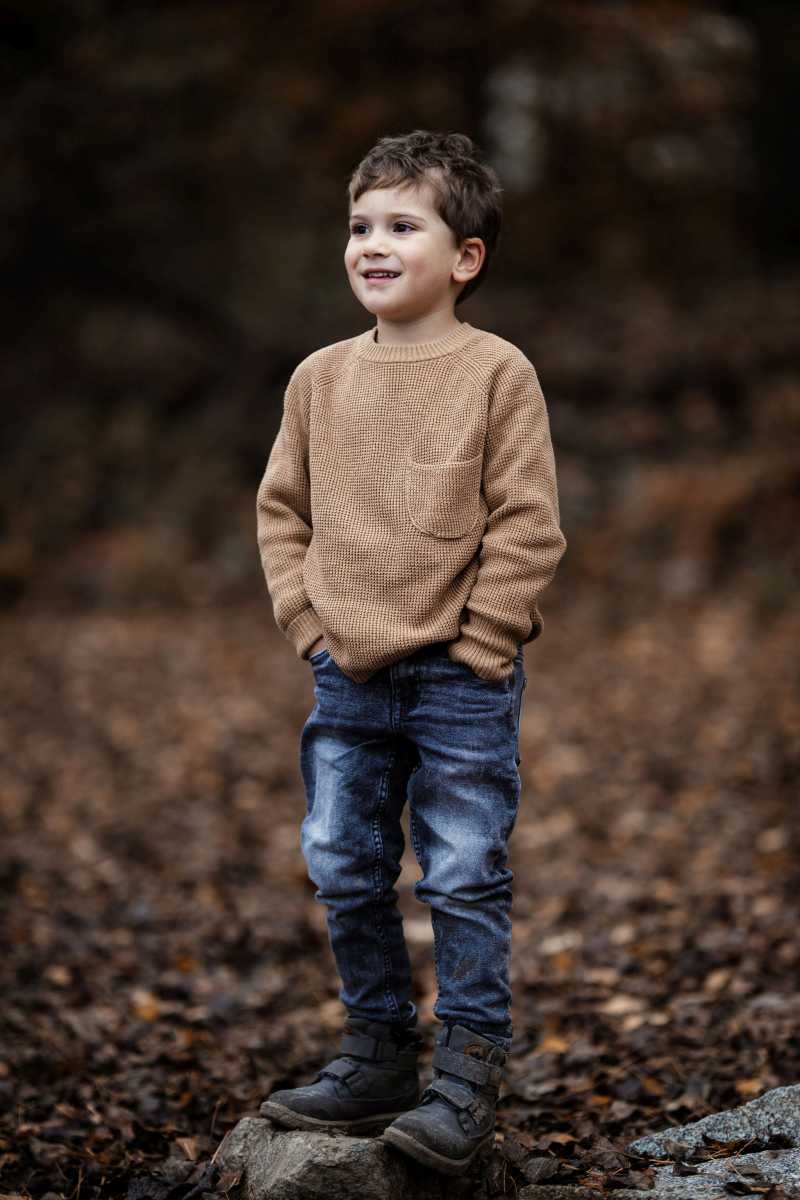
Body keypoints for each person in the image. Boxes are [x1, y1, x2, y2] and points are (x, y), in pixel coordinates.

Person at [255, 129, 567, 1177]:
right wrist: (308, 621)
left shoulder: (495, 373)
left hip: (457, 676)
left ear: (463, 257)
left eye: (401, 225)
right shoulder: (318, 379)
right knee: (342, 861)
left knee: (464, 871)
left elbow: (526, 524)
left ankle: (466, 1072)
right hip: (345, 668)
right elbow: (280, 512)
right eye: (358, 226)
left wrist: (483, 640)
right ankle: (377, 1050)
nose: (371, 245)